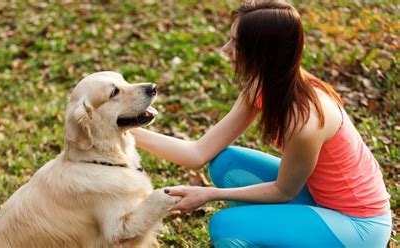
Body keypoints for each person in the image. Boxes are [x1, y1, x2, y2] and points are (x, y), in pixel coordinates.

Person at [130, 1, 393, 247]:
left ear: (264, 53)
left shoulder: (306, 121)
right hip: (318, 197)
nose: (225, 49)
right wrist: (127, 129)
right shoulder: (262, 86)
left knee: (225, 226)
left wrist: (208, 194)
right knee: (226, 162)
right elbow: (198, 153)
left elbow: (283, 191)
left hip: (358, 225)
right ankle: (270, 233)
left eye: (236, 44)